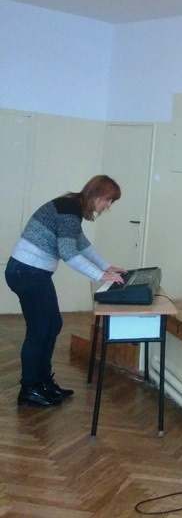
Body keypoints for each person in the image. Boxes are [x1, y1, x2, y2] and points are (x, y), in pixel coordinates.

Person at [5, 175, 126, 408]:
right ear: (97, 194)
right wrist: (101, 276)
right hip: (26, 272)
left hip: (33, 272)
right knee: (40, 329)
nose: (108, 206)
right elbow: (69, 253)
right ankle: (29, 389)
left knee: (52, 325)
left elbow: (81, 244)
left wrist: (106, 267)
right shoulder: (69, 210)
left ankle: (43, 383)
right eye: (108, 200)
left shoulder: (72, 208)